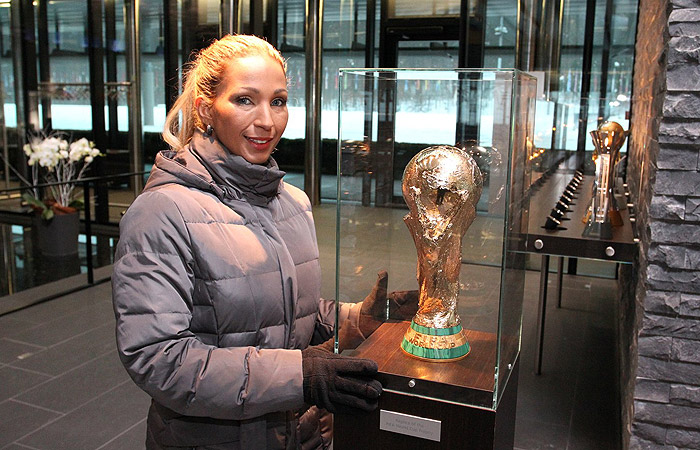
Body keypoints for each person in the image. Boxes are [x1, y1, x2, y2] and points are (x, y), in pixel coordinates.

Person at [111, 34, 416, 450]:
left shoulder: (294, 203)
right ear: (205, 108)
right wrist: (299, 376)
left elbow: (292, 318)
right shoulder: (161, 213)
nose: (267, 122)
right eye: (244, 100)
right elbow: (158, 359)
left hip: (304, 435)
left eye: (277, 101)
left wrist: (360, 317)